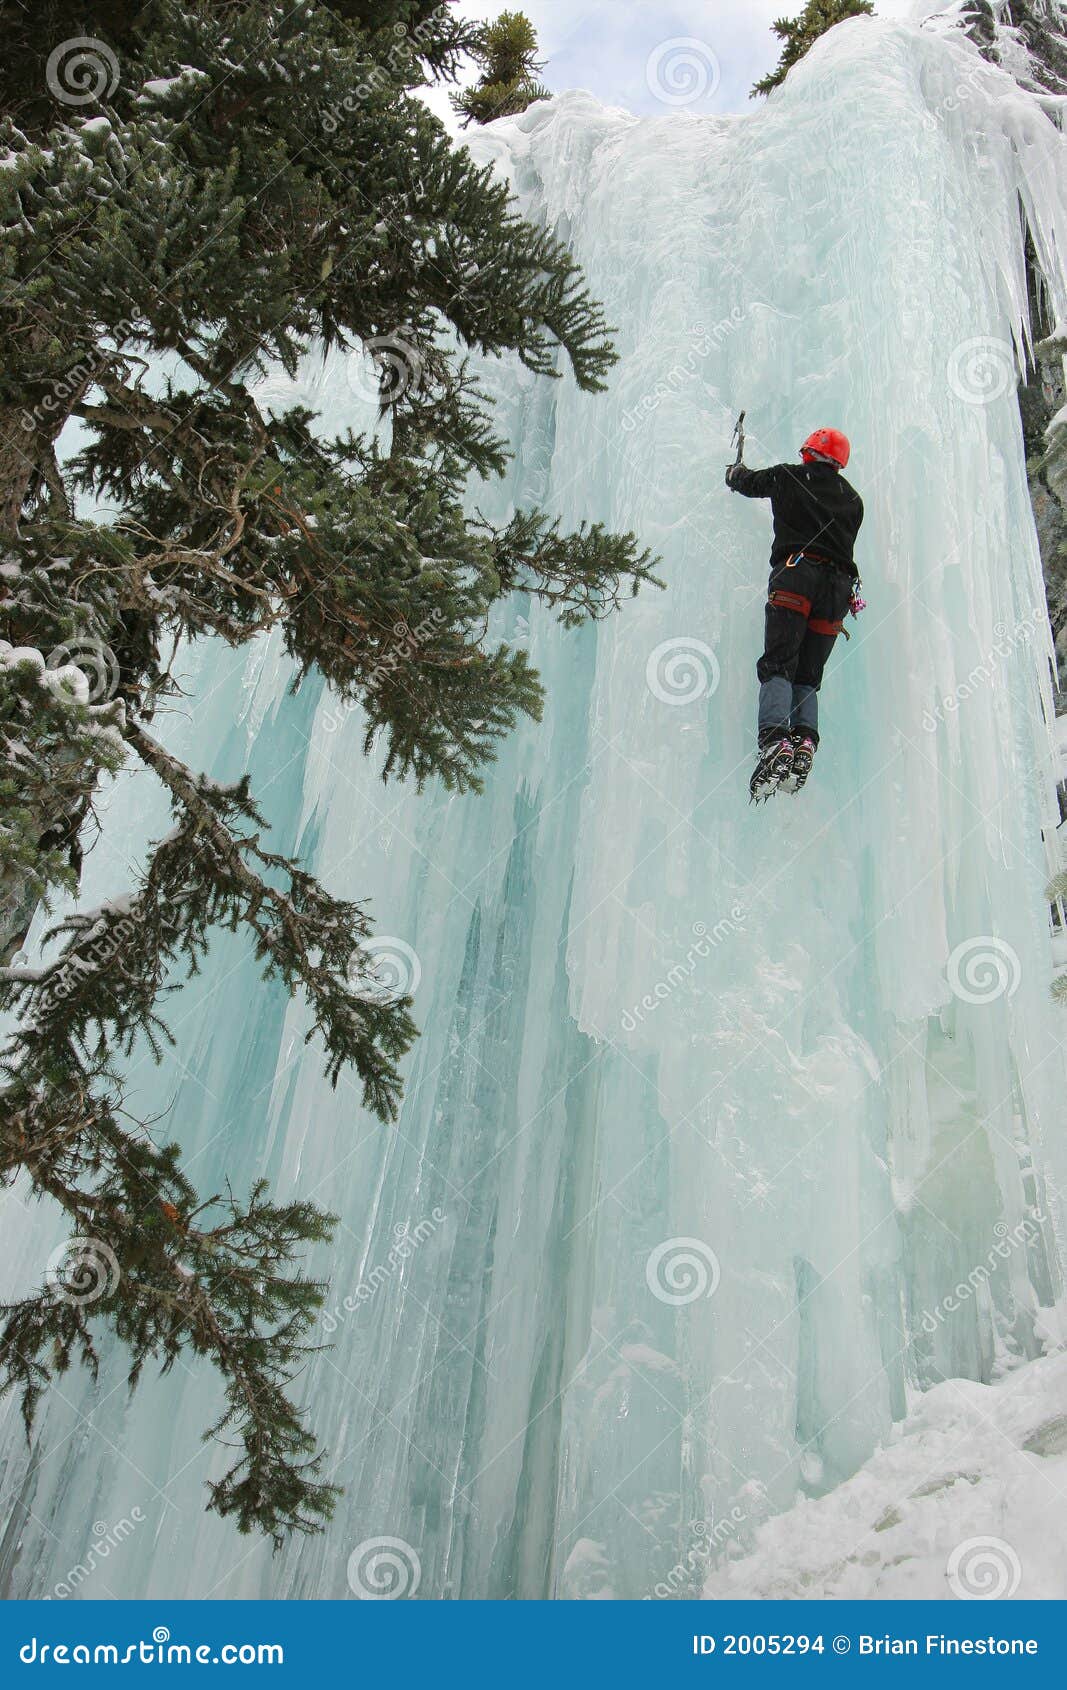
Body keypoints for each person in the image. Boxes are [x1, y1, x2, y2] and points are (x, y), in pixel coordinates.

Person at [726, 427, 863, 800]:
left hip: (796, 576)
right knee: (808, 674)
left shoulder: (789, 477)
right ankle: (803, 741)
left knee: (779, 664)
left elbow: (749, 483)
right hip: (837, 592)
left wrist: (734, 472)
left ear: (809, 452)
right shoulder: (854, 501)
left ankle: (774, 739)